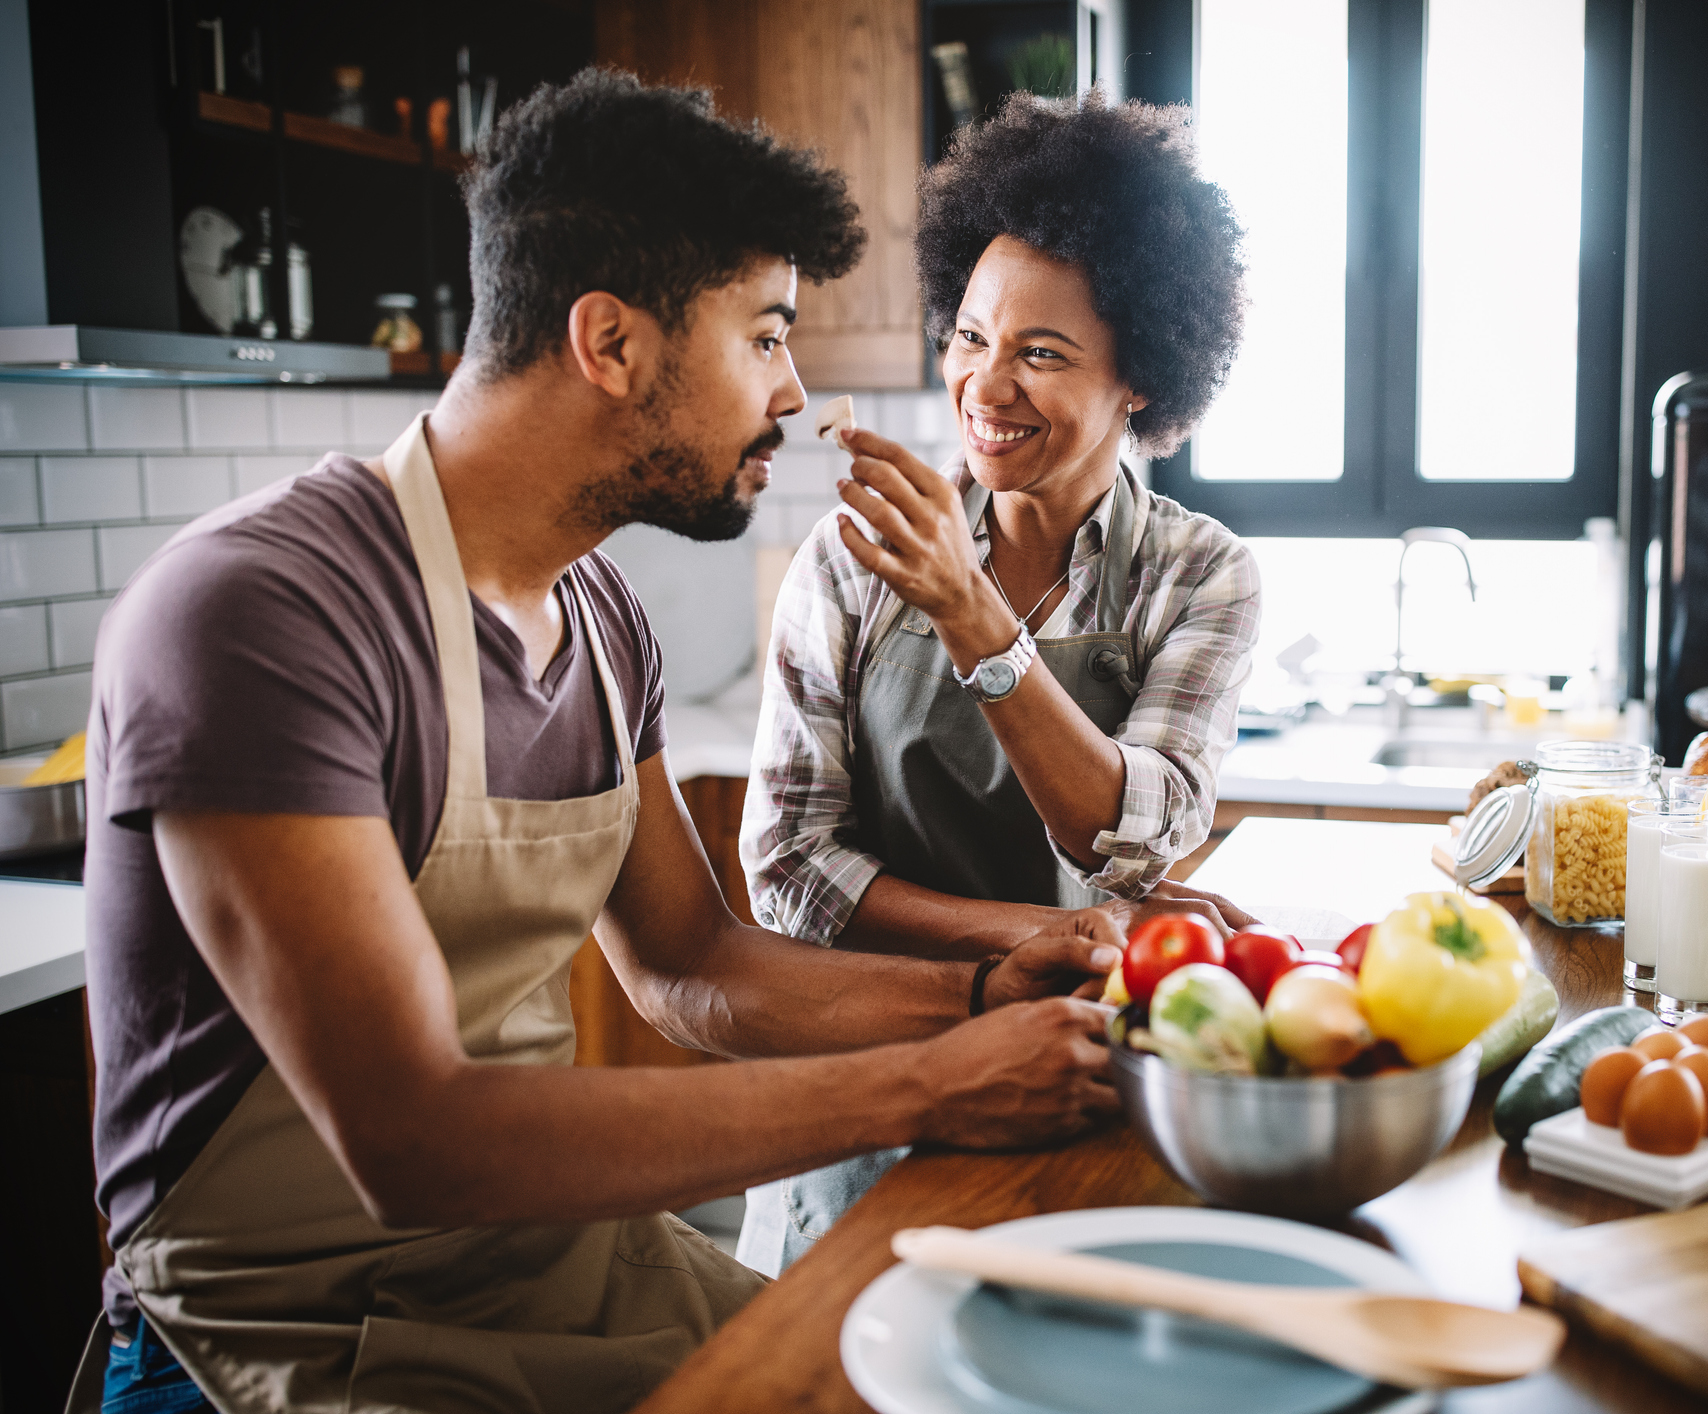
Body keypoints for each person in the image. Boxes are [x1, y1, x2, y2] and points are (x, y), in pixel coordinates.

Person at [76, 72, 1122, 1414]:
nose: (794, 393)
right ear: (611, 344)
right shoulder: (260, 612)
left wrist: (991, 996)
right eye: (763, 336)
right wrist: (931, 1080)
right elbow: (416, 1138)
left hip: (555, 1272)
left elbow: (695, 965)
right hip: (276, 1332)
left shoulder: (598, 612)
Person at [737, 92, 1259, 1276]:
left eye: (1042, 353)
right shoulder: (852, 555)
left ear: (1143, 380)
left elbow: (1131, 833)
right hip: (877, 1082)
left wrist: (972, 615)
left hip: (1094, 1073)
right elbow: (785, 872)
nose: (985, 386)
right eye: (971, 336)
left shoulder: (1200, 576)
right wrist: (1046, 935)